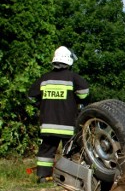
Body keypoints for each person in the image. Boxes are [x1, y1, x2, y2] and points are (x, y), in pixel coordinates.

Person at [28, 46, 89, 183]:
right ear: (68, 61)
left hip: (47, 124)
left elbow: (31, 96)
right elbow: (84, 93)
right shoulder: (73, 78)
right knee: (70, 151)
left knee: (46, 151)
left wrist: (42, 105)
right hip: (67, 124)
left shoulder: (45, 79)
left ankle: (43, 176)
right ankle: (68, 178)